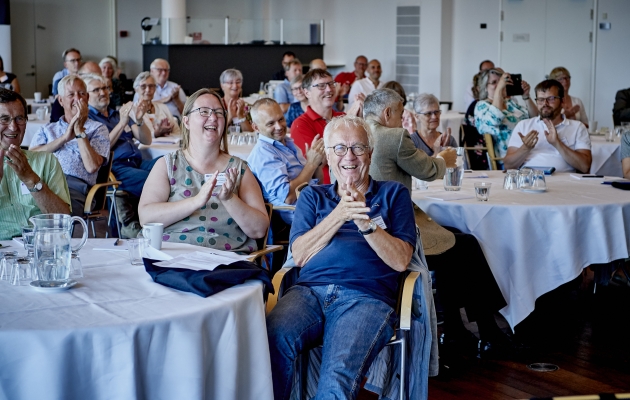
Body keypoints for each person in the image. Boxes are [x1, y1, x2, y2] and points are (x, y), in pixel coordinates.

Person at [266, 115, 416, 400]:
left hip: (365, 298)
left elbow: (400, 261)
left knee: (336, 378)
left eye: (358, 148)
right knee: (272, 341)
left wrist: (366, 223)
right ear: (328, 158)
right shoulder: (312, 197)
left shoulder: (393, 194)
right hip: (308, 293)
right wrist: (341, 213)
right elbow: (298, 255)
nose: (349, 156)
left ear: (370, 154)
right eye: (339, 148)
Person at [364, 88, 510, 360]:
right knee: (466, 245)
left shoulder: (361, 132)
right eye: (400, 112)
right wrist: (443, 158)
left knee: (454, 241)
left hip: (374, 225)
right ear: (386, 113)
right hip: (396, 231)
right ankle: (487, 331)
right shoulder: (392, 136)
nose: (403, 118)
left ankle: (456, 329)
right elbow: (429, 171)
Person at [138, 89, 269, 252]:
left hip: (226, 262)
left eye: (218, 112)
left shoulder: (239, 169)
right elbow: (146, 217)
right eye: (204, 112)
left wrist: (229, 199)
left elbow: (259, 230)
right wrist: (196, 200)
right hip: (173, 257)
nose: (213, 117)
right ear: (186, 121)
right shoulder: (167, 165)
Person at [29, 75, 110, 217]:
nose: (77, 98)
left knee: (54, 215)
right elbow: (31, 157)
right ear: (60, 100)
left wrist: (79, 130)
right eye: (71, 94)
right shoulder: (47, 129)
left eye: (82, 94)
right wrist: (64, 138)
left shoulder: (98, 129)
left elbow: (92, 166)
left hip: (74, 187)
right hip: (43, 182)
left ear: (87, 98)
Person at [0, 88, 71, 239]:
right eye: (4, 119)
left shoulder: (46, 161)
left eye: (19, 118)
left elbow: (63, 222)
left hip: (42, 247)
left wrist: (32, 180)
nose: (13, 127)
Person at [248, 98, 324, 225]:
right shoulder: (263, 154)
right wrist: (311, 164)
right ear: (256, 127)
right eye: (270, 123)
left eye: (281, 119)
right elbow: (288, 197)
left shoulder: (288, 143)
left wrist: (317, 162)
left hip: (316, 203)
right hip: (302, 214)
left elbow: (318, 182)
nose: (279, 127)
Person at [504, 79, 592, 173]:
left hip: (564, 182)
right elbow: (508, 166)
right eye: (540, 99)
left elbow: (585, 167)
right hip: (529, 180)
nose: (545, 103)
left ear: (562, 101)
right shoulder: (523, 125)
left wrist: (557, 143)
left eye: (551, 99)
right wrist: (525, 148)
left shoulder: (578, 127)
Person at [290, 69, 344, 184]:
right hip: (326, 189)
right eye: (321, 86)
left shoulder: (342, 117)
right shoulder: (301, 124)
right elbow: (320, 161)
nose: (329, 89)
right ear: (307, 93)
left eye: (331, 84)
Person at [474, 67, 538, 161]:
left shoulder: (510, 103)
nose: (500, 84)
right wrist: (499, 88)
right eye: (494, 82)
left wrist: (526, 96)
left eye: (500, 81)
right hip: (508, 159)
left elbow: (535, 118)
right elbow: (494, 120)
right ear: (485, 87)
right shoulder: (481, 106)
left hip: (529, 152)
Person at [131, 72, 180, 138]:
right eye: (143, 86)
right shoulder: (132, 110)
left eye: (151, 86)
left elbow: (177, 131)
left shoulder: (163, 107)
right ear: (136, 89)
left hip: (168, 145)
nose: (148, 90)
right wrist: (156, 133)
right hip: (145, 147)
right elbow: (136, 136)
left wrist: (170, 129)